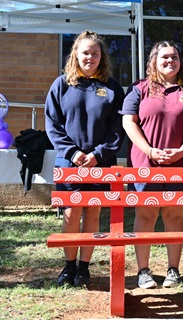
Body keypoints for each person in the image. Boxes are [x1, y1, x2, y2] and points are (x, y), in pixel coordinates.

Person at [121, 40, 183, 289]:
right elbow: (129, 122)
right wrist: (149, 150)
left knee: (174, 214)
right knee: (145, 215)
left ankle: (173, 270)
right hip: (145, 163)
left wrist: (181, 152)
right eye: (165, 57)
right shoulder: (139, 88)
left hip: (182, 163)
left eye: (175, 57)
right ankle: (143, 271)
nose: (170, 61)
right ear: (154, 61)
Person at [45, 30, 125, 287]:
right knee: (71, 212)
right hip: (69, 163)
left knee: (92, 212)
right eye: (85, 53)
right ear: (75, 55)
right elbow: (53, 125)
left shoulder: (112, 88)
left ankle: (84, 268)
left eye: (95, 53)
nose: (89, 57)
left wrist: (97, 154)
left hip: (100, 163)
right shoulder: (61, 85)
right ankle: (68, 267)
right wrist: (74, 153)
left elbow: (117, 129)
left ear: (102, 57)